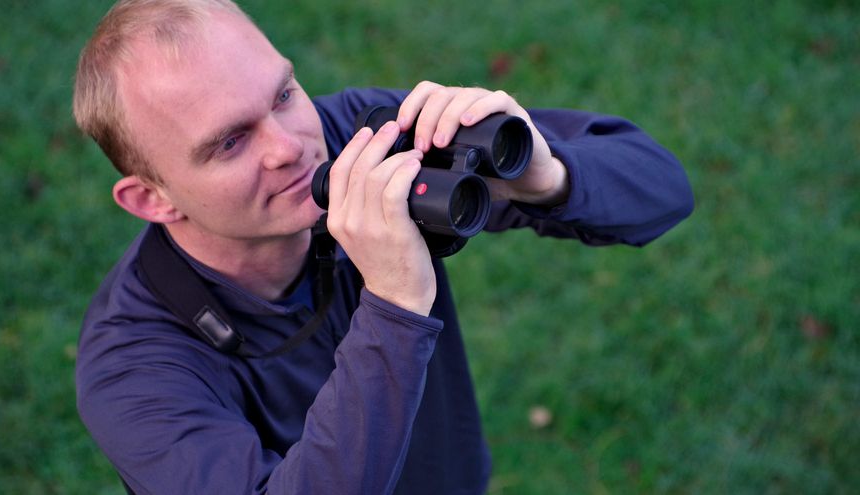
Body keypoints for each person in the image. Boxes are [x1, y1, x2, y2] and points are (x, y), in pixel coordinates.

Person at [72, 1, 693, 493]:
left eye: (284, 96)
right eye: (230, 143)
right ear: (154, 200)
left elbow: (663, 190)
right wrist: (396, 300)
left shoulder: (364, 141)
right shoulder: (132, 368)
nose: (289, 146)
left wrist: (545, 175)